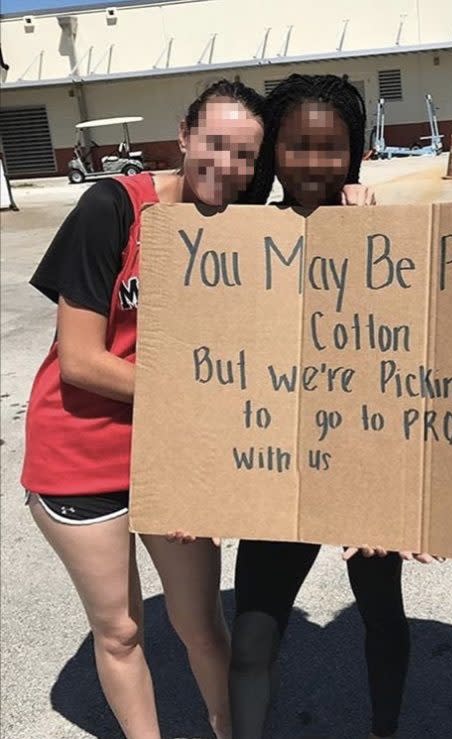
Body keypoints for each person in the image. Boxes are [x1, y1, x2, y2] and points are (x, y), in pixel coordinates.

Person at [22, 78, 268, 739]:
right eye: (214, 144)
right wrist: (192, 386)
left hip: (168, 454)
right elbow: (79, 359)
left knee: (201, 625)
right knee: (122, 628)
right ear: (184, 136)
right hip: (79, 454)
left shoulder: (236, 231)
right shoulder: (113, 208)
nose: (228, 165)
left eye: (245, 155)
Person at [228, 73, 433, 739]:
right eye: (297, 146)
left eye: (332, 147)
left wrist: (371, 237)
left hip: (362, 463)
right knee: (253, 639)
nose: (315, 162)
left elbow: (413, 355)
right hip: (278, 467)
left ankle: (383, 730)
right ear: (273, 154)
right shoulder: (237, 241)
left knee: (382, 616)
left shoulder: (383, 233)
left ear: (356, 153)